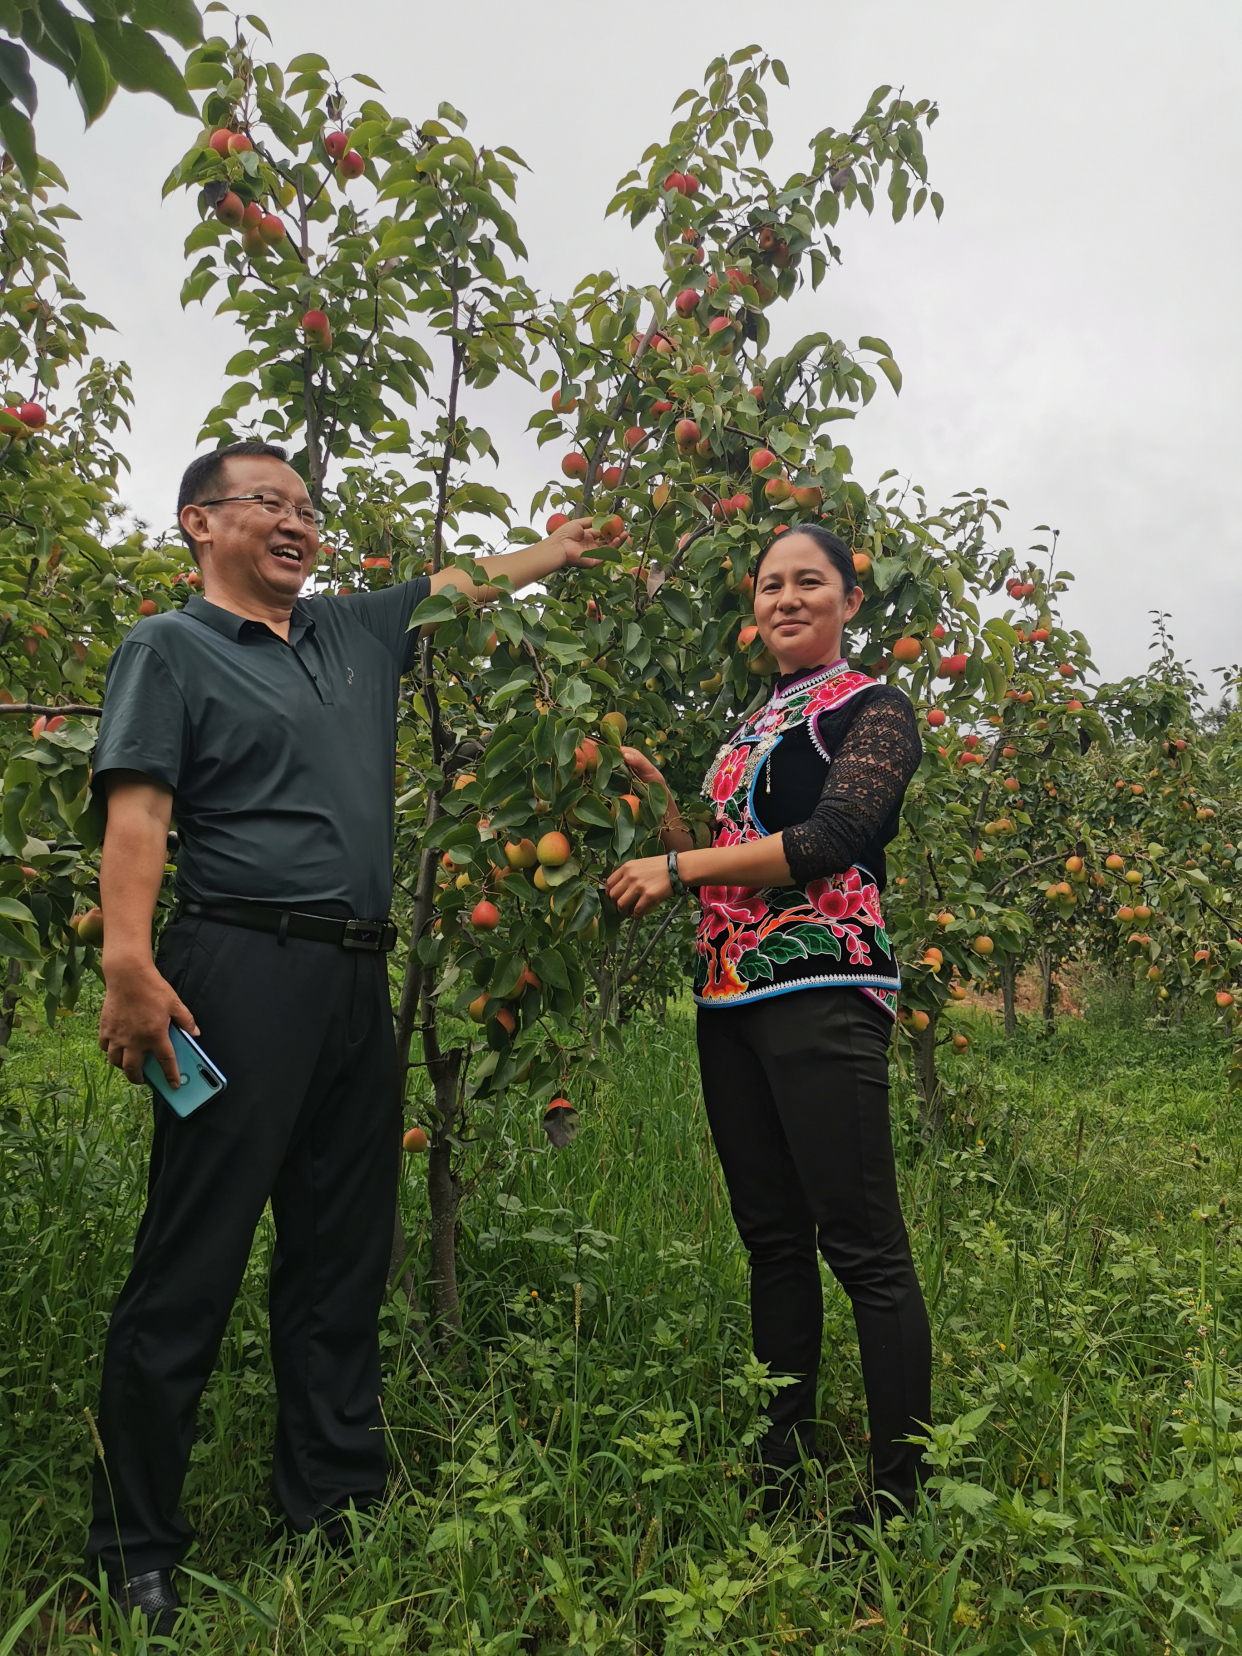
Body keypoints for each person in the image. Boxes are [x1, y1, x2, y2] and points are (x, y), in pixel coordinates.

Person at [86, 440, 607, 1633]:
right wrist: (130, 960)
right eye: (266, 502)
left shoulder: (352, 632)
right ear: (197, 523)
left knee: (340, 1257)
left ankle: (329, 1500)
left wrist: (560, 552)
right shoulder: (166, 649)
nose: (294, 521)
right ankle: (136, 1542)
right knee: (193, 1258)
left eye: (306, 507)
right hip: (235, 967)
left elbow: (468, 579)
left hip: (353, 985)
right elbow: (140, 808)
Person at [605, 523, 931, 1521]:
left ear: (850, 600)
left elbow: (833, 839)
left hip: (827, 987)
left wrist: (676, 865)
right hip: (731, 996)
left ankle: (897, 1497)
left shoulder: (875, 708)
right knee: (773, 1239)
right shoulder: (752, 724)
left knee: (862, 1244)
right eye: (769, 587)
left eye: (809, 583)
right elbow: (714, 861)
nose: (785, 600)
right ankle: (777, 1464)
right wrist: (664, 810)